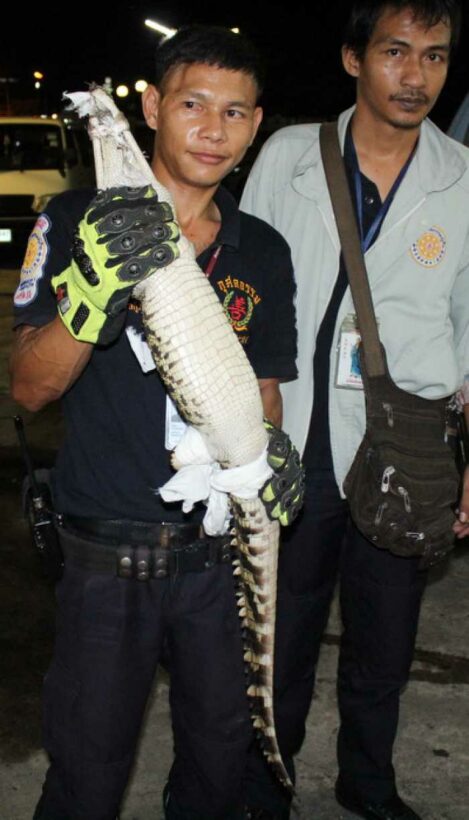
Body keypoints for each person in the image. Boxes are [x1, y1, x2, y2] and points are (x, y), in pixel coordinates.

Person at [10, 25, 299, 820]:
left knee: (215, 773)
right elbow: (31, 388)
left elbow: (264, 389)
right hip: (108, 563)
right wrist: (91, 295)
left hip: (216, 565)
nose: (213, 129)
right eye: (193, 104)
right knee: (85, 781)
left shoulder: (260, 250)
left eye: (236, 112)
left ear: (257, 123)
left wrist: (273, 451)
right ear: (151, 108)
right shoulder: (74, 218)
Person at [241, 2, 469, 819]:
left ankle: (366, 780)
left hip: (405, 449)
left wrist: (466, 469)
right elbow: (246, 290)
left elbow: (467, 329)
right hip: (297, 438)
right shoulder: (290, 155)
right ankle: (270, 777)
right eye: (395, 52)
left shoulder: (462, 176)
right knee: (282, 634)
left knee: (384, 641)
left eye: (435, 57)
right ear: (352, 59)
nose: (415, 76)